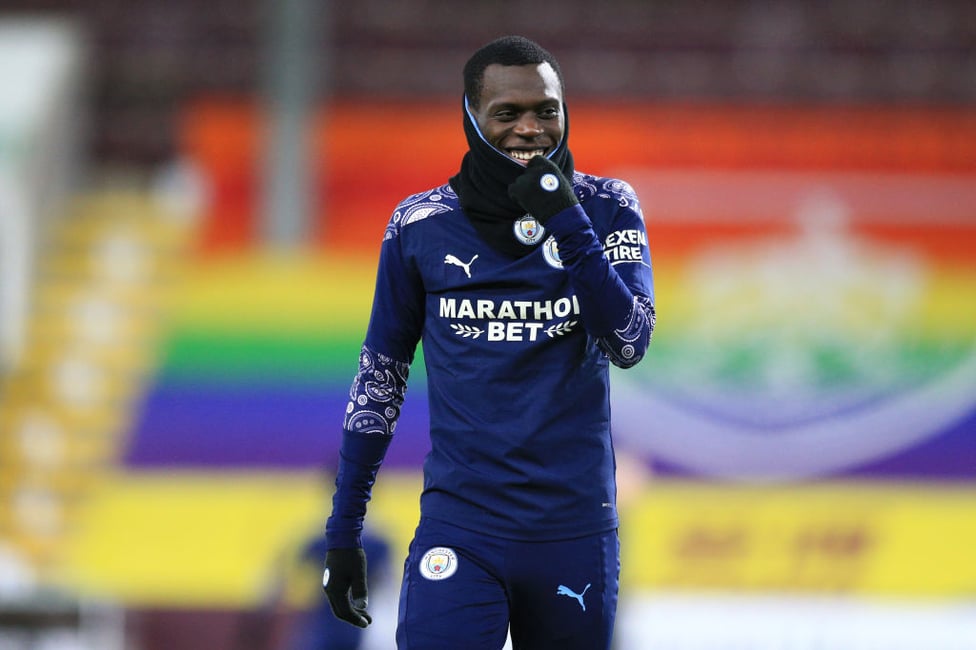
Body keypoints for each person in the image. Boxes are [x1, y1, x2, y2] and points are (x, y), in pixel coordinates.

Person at [322, 35, 655, 650]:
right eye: (508, 114)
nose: (530, 129)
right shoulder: (419, 224)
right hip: (462, 526)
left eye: (545, 111)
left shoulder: (608, 207)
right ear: (472, 119)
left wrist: (568, 221)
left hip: (573, 533)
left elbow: (630, 341)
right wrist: (344, 532)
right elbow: (379, 379)